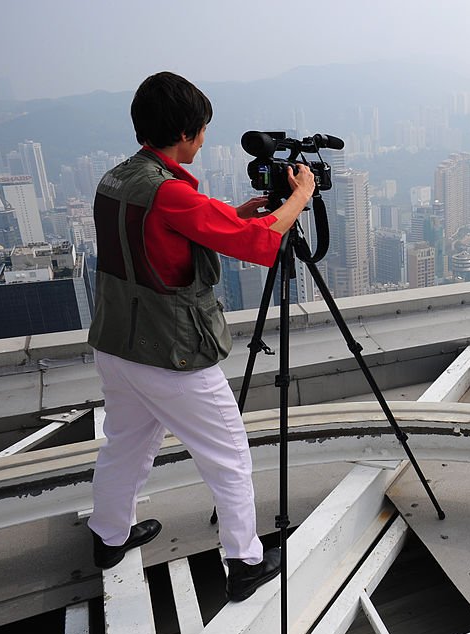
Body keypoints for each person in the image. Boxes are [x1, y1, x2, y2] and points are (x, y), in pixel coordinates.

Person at [86, 72, 315, 601]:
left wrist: (233, 214)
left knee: (126, 444)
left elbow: (157, 241)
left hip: (117, 345)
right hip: (168, 353)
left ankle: (108, 536)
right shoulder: (169, 192)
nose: (205, 139)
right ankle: (245, 563)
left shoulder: (117, 179)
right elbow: (257, 244)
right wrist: (298, 197)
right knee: (229, 454)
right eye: (203, 130)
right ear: (187, 133)